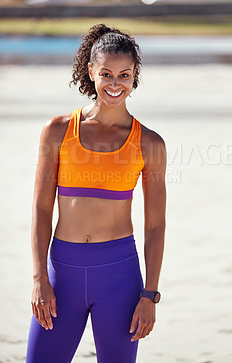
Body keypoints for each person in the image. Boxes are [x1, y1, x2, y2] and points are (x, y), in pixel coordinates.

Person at [26, 23, 167, 363]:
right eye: (106, 74)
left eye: (124, 74)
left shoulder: (150, 143)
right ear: (91, 72)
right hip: (62, 273)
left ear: (135, 76)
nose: (115, 83)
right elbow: (41, 209)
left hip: (119, 276)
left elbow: (155, 226)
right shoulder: (57, 131)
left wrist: (149, 294)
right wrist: (39, 279)